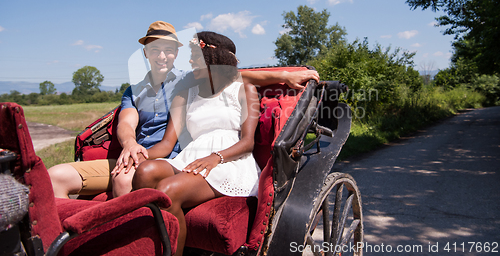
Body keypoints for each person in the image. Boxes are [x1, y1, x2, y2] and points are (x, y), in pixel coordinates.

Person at [48, 21, 319, 199]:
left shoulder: (188, 80)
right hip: (144, 154)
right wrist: (130, 146)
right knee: (55, 176)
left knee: (128, 181)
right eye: (154, 50)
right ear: (145, 53)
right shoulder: (134, 91)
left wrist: (284, 73)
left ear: (176, 54)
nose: (161, 56)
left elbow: (233, 74)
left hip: (189, 156)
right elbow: (125, 124)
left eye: (168, 50)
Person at [131, 31, 261, 256]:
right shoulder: (185, 95)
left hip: (229, 161)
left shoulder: (243, 89)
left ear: (215, 58)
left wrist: (215, 157)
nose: (190, 61)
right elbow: (166, 144)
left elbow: (248, 142)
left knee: (167, 190)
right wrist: (138, 153)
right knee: (145, 171)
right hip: (192, 157)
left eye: (195, 55)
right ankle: (147, 246)